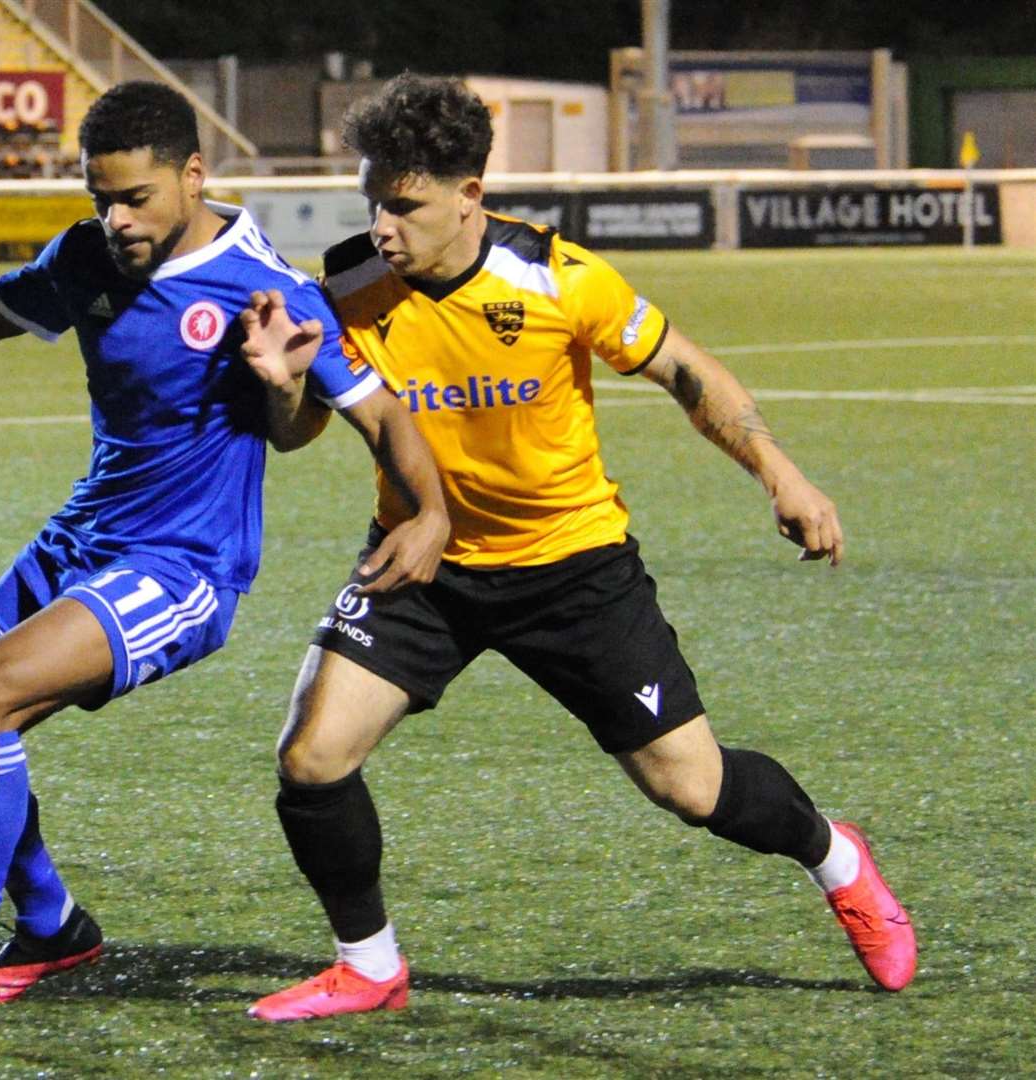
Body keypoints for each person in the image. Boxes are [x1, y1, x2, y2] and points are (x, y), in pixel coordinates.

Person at [246, 74, 916, 1023]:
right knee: (312, 757)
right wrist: (282, 384)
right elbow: (301, 429)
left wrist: (781, 473)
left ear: (469, 194)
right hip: (422, 561)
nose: (383, 225)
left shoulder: (559, 278)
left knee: (692, 788)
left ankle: (834, 856)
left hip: (573, 570)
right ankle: (369, 965)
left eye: (405, 205)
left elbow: (687, 370)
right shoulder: (350, 281)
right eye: (374, 202)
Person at [0, 80, 448, 1051]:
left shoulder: (265, 286)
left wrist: (429, 511)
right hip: (81, 538)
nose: (116, 217)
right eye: (100, 195)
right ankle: (55, 928)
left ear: (193, 177)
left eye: (136, 197)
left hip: (184, 567)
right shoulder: (89, 254)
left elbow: (361, 416)